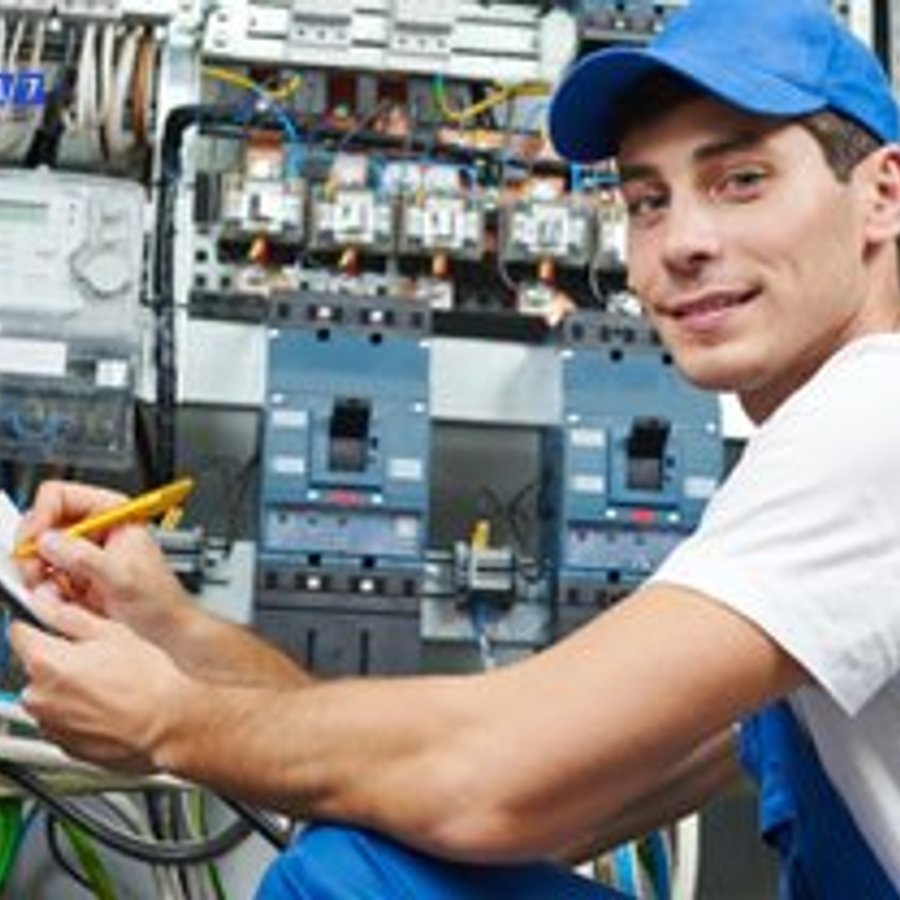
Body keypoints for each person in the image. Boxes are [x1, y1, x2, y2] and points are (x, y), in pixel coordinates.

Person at [9, 0, 900, 895]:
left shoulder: (871, 417)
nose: (684, 244)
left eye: (742, 180)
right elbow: (549, 795)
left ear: (883, 195)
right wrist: (174, 631)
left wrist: (168, 721)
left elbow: (488, 781)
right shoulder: (823, 491)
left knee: (350, 878)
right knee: (362, 862)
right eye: (647, 203)